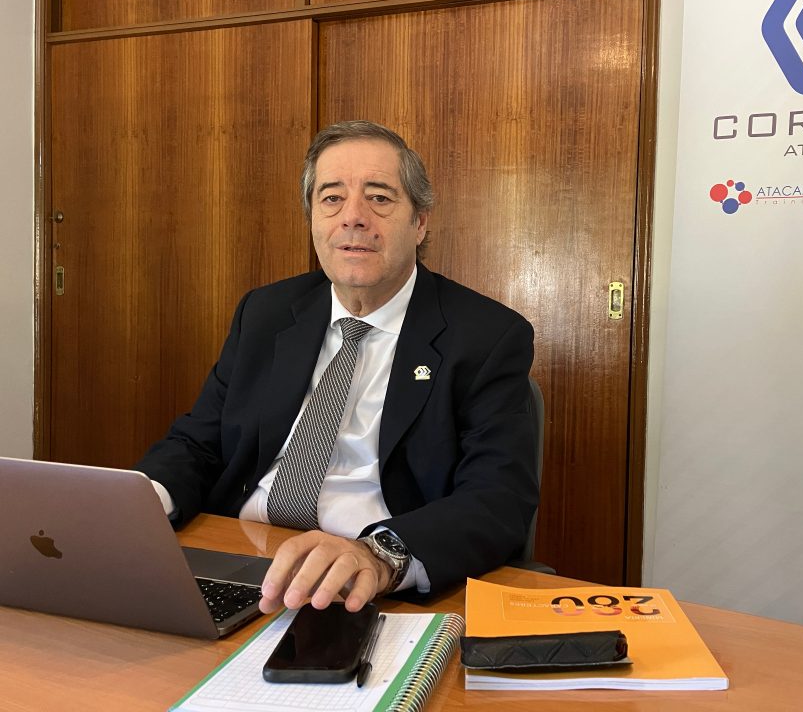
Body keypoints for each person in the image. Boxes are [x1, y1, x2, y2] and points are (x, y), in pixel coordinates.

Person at [136, 121, 538, 614]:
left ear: (420, 222)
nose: (353, 218)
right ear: (312, 219)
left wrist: (380, 555)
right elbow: (199, 442)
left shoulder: (487, 336)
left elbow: (498, 497)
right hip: (242, 558)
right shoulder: (265, 314)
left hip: (369, 583)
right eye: (331, 198)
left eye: (379, 198)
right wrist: (141, 502)